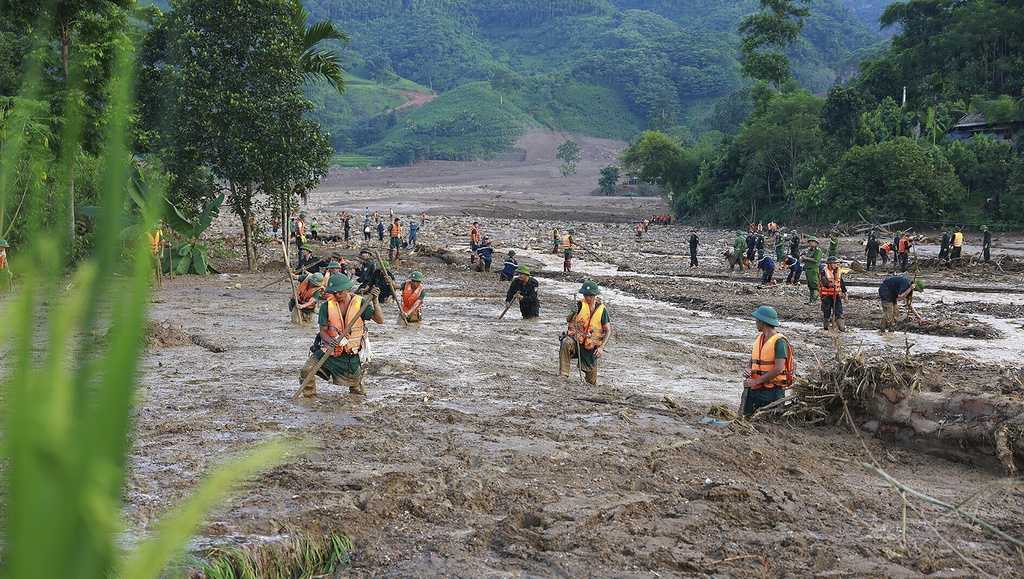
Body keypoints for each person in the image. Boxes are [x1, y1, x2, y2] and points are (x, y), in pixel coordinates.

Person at [299, 275, 384, 397]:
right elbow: (323, 331)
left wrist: (375, 301)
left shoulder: (361, 304)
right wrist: (330, 340)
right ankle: (309, 398)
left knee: (356, 388)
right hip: (330, 351)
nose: (337, 295)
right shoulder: (326, 306)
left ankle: (356, 405)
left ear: (347, 289)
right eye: (334, 292)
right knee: (307, 370)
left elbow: (380, 320)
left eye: (339, 292)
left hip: (350, 355)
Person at [742, 306, 794, 417]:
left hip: (772, 392)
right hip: (756, 390)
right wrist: (748, 368)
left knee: (767, 421)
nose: (755, 322)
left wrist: (756, 381)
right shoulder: (760, 338)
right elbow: (753, 359)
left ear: (762, 322)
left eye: (757, 320)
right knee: (746, 418)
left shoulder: (779, 342)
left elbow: (779, 368)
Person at [559, 280, 610, 385]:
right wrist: (573, 312)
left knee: (591, 382)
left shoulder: (602, 310)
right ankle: (563, 375)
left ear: (595, 295)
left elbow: (608, 330)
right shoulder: (579, 305)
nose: (588, 298)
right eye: (585, 295)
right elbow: (568, 319)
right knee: (566, 342)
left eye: (590, 296)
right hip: (577, 341)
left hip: (591, 347)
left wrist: (601, 348)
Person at [819, 257, 848, 331]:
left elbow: (841, 282)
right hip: (826, 295)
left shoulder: (838, 271)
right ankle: (826, 326)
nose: (836, 265)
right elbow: (824, 281)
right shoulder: (824, 271)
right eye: (834, 263)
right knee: (827, 311)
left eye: (836, 263)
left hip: (836, 295)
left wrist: (845, 292)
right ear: (829, 264)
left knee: (839, 311)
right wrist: (830, 284)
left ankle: (841, 327)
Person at [801, 237, 823, 304]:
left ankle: (815, 300)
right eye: (810, 241)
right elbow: (805, 259)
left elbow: (816, 260)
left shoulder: (818, 251)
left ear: (816, 243)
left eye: (812, 241)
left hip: (813, 270)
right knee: (810, 286)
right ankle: (811, 300)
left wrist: (806, 258)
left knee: (815, 285)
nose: (810, 243)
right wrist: (803, 257)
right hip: (808, 270)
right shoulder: (809, 250)